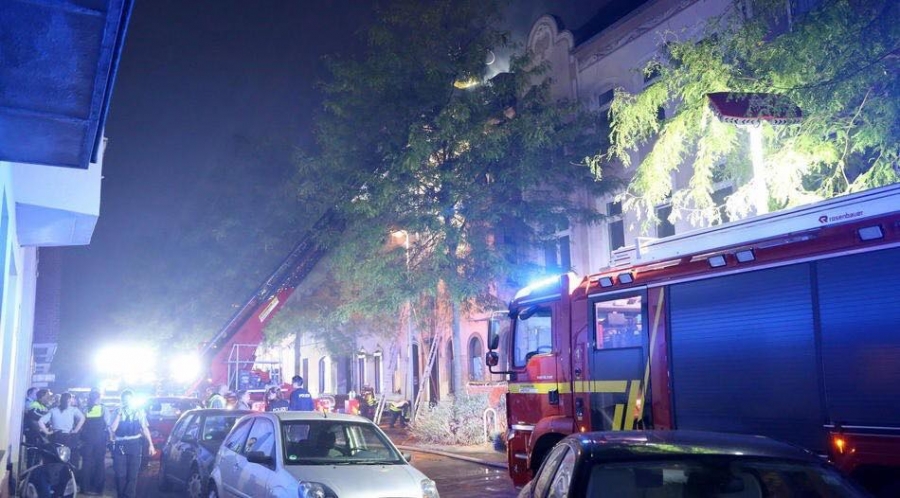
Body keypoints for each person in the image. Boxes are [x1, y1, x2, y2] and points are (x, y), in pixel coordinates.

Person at [110, 390, 155, 498]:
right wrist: (119, 414)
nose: (127, 402)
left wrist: (151, 444)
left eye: (129, 400)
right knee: (120, 474)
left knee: (133, 474)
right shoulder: (117, 412)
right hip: (120, 444)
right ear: (122, 401)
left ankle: (129, 496)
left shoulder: (139, 411)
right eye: (125, 400)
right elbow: (113, 429)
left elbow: (144, 428)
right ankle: (121, 495)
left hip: (134, 444)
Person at [38, 391, 85, 468]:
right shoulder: (73, 410)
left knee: (55, 460)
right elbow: (82, 418)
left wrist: (47, 432)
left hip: (55, 437)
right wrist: (76, 430)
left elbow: (40, 421)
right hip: (68, 438)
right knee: (69, 461)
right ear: (69, 400)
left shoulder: (53, 410)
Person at [81, 390, 110, 496]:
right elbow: (108, 424)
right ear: (98, 398)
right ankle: (98, 489)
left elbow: (81, 424)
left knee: (86, 463)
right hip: (100, 439)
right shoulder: (103, 409)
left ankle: (84, 487)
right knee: (99, 463)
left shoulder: (85, 409)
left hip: (87, 440)